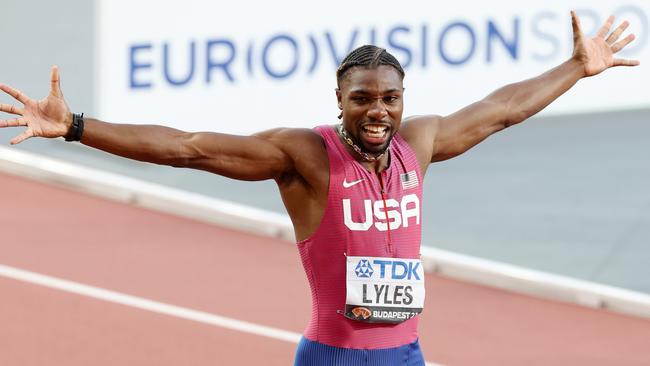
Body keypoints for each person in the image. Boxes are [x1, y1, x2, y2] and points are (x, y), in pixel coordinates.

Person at [0, 11, 640, 366]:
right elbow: (188, 146)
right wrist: (77, 126)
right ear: (340, 99)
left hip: (404, 356)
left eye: (390, 98)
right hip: (331, 359)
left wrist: (577, 69)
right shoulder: (304, 157)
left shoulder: (420, 143)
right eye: (363, 99)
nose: (379, 111)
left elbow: (502, 108)